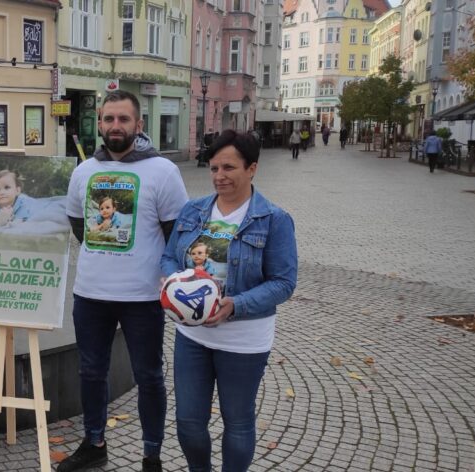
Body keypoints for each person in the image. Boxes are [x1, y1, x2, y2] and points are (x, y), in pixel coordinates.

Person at [61, 90, 189, 472]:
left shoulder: (163, 171)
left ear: (139, 125)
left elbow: (176, 232)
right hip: (91, 294)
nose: (116, 126)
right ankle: (94, 442)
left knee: (149, 376)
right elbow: (79, 226)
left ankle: (152, 454)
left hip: (143, 298)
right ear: (100, 123)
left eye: (124, 119)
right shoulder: (84, 171)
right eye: (109, 119)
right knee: (91, 371)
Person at [160, 129, 298, 472]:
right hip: (192, 336)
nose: (219, 176)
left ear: (252, 168)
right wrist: (172, 281)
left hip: (244, 338)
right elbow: (168, 257)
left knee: (237, 422)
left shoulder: (273, 220)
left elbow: (283, 283)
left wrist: (235, 304)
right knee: (189, 423)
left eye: (229, 168)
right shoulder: (193, 211)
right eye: (213, 168)